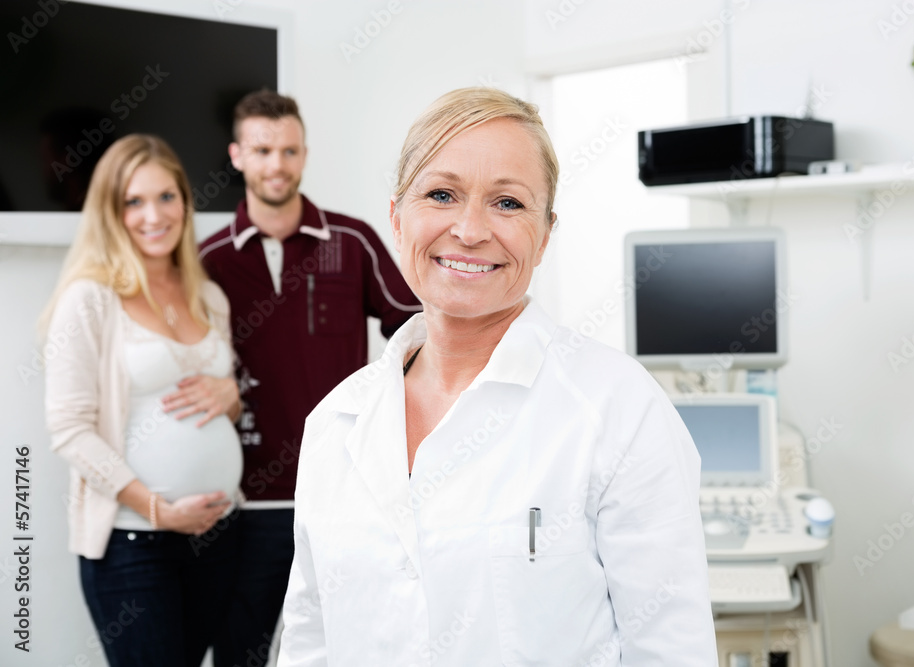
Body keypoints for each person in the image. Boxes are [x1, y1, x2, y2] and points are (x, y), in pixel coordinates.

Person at [277, 88, 717, 665]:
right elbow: (311, 640)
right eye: (441, 194)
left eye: (507, 203)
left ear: (545, 233)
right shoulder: (336, 421)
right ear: (397, 217)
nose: (470, 229)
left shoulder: (617, 408)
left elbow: (670, 647)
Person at [198, 89, 422, 667]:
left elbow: (421, 331)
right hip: (246, 503)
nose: (278, 163)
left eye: (290, 150)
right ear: (237, 156)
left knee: (350, 648)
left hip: (346, 494)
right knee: (241, 652)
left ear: (305, 155)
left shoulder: (352, 241)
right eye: (263, 149)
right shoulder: (207, 259)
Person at [42, 134, 243, 667]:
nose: (153, 215)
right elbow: (69, 429)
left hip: (216, 536)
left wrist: (231, 395)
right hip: (134, 544)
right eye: (134, 201)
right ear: (112, 211)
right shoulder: (90, 299)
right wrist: (157, 509)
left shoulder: (209, 296)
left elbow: (223, 407)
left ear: (184, 201)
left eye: (166, 197)